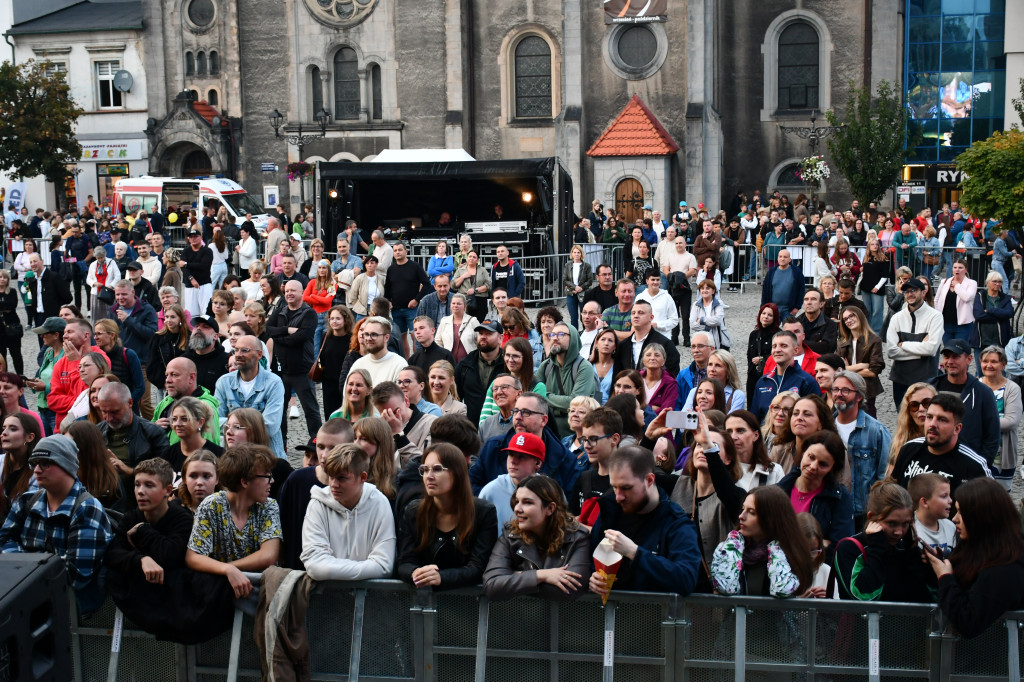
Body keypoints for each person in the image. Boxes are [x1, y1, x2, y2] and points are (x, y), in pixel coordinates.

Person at [0, 435, 114, 614]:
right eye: (34, 463)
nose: (36, 469)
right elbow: (4, 541)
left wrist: (22, 569)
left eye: (45, 463)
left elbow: (75, 576)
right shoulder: (26, 501)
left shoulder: (87, 508)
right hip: (24, 605)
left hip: (68, 614)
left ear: (66, 466)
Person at [588, 446, 701, 597]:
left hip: (654, 617)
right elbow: (588, 559)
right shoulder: (610, 512)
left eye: (626, 488)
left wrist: (635, 553)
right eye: (614, 487)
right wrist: (591, 578)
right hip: (606, 615)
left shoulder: (676, 522)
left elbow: (686, 579)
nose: (618, 497)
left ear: (649, 480)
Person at [923, 477, 1024, 638]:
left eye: (962, 512)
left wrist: (945, 576)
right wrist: (938, 566)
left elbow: (968, 622)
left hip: (987, 658)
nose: (954, 518)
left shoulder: (1005, 569)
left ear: (982, 518)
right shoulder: (975, 546)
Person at [185, 444, 281, 599]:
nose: (272, 480)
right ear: (244, 482)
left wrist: (229, 569)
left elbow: (269, 555)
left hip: (261, 595)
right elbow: (193, 557)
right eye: (266, 475)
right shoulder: (212, 506)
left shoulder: (268, 506)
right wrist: (227, 571)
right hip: (220, 596)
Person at [396, 443, 498, 589]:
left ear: (457, 473)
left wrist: (442, 577)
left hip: (469, 604)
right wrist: (415, 573)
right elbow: (404, 562)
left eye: (437, 469)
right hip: (422, 602)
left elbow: (478, 567)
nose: (428, 476)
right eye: (424, 470)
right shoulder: (413, 511)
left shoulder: (483, 512)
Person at [483, 474, 592, 601]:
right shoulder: (510, 535)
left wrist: (514, 577)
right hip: (518, 618)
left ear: (550, 508)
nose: (517, 509)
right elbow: (492, 584)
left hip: (566, 618)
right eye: (517, 501)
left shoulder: (577, 537)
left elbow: (570, 588)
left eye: (527, 502)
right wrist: (541, 575)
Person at [299, 443, 396, 581]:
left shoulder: (379, 503)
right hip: (327, 599)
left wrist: (329, 567)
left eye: (341, 478)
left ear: (362, 477)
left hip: (370, 600)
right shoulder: (317, 504)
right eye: (331, 477)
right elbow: (314, 566)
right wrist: (368, 567)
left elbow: (384, 566)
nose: (333, 484)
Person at [832, 480, 936, 602]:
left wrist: (926, 566)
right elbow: (863, 597)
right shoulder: (849, 548)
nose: (899, 532)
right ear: (872, 517)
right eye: (892, 523)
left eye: (905, 524)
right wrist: (878, 549)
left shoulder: (906, 549)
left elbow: (928, 599)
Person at [710, 486, 813, 598]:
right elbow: (725, 587)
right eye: (743, 509)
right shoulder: (730, 548)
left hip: (770, 616)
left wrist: (776, 548)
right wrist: (734, 543)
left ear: (771, 519)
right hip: (735, 616)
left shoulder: (788, 553)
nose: (741, 516)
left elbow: (782, 589)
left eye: (751, 512)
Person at [890, 392, 991, 497]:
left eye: (942, 420)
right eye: (929, 417)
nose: (932, 424)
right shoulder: (909, 448)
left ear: (957, 428)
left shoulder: (974, 467)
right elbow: (893, 493)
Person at [776, 430, 855, 549]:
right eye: (811, 457)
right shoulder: (781, 489)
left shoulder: (839, 498)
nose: (813, 466)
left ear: (832, 469)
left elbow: (840, 547)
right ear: (803, 453)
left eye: (822, 464)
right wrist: (818, 544)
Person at [832, 371, 892, 527]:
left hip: (862, 513)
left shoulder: (877, 431)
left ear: (859, 396)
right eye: (835, 389)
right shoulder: (825, 427)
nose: (839, 394)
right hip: (832, 508)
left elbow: (883, 477)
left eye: (845, 390)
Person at [927, 339, 1000, 466]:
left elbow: (992, 436)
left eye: (956, 357)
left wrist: (980, 466)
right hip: (932, 462)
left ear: (969, 359)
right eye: (947, 357)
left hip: (966, 466)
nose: (950, 361)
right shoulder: (930, 388)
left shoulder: (983, 393)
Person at [214, 335, 286, 458]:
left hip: (266, 456)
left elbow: (270, 426)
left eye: (245, 350)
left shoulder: (273, 383)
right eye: (236, 350)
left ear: (259, 354)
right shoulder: (224, 382)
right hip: (233, 457)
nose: (238, 354)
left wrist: (233, 426)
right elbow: (215, 422)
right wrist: (249, 426)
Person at [886, 277, 943, 408]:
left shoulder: (935, 316)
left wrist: (904, 344)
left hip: (926, 378)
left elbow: (931, 349)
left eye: (913, 290)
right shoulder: (896, 318)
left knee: (925, 419)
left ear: (923, 292)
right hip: (901, 378)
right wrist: (921, 352)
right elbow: (891, 351)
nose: (910, 294)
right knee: (903, 419)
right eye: (906, 291)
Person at [750, 330, 821, 422]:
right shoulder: (763, 381)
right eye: (774, 346)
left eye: (784, 346)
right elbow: (754, 417)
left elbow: (814, 417)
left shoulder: (807, 382)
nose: (777, 350)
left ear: (795, 350)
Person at [976, 346, 1022, 478]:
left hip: (1002, 454)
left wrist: (978, 422)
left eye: (994, 362)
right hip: (977, 452)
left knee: (1000, 496)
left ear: (1003, 365)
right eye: (985, 361)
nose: (988, 365)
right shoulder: (974, 385)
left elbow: (1011, 422)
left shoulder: (1012, 389)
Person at [455, 320, 506, 425]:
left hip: (499, 426)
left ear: (500, 338)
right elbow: (456, 397)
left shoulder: (508, 364)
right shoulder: (465, 365)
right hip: (470, 428)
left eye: (489, 334)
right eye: (481, 333)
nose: (483, 337)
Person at [614, 300, 681, 377]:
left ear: (651, 317)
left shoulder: (665, 344)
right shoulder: (623, 345)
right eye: (633, 313)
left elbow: (672, 376)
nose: (636, 316)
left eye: (641, 313)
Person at [726, 410, 784, 490]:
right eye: (729, 432)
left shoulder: (774, 471)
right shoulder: (721, 469)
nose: (733, 437)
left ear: (755, 435)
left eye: (740, 431)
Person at [971, 271, 1013, 375]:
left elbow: (1009, 313)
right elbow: (979, 315)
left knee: (1000, 371)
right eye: (995, 281)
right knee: (981, 371)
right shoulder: (979, 297)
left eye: (1000, 282)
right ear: (987, 283)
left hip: (1000, 341)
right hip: (982, 341)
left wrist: (990, 311)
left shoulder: (1005, 298)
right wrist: (999, 316)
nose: (997, 284)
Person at [348, 316, 407, 386]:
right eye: (366, 334)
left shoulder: (399, 365)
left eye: (374, 334)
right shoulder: (358, 364)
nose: (369, 338)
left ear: (386, 338)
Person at [909, 473, 956, 558]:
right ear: (925, 502)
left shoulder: (951, 527)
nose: (950, 500)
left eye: (949, 495)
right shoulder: (910, 531)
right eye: (944, 496)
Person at [935, 258, 978, 344]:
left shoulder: (971, 283)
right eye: (955, 267)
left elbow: (967, 297)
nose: (957, 269)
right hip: (946, 323)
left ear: (965, 270)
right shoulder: (945, 282)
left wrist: (957, 286)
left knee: (960, 351)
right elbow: (937, 299)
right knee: (948, 349)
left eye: (960, 267)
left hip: (963, 325)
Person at [747, 303, 779, 400]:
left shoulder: (777, 335)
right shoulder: (754, 334)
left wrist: (762, 359)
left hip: (769, 377)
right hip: (753, 376)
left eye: (770, 315)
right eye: (763, 313)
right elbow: (749, 355)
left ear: (774, 318)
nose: (766, 317)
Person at [435, 293, 478, 365]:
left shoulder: (473, 321)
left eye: (459, 303)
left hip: (469, 362)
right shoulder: (444, 321)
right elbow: (438, 341)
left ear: (464, 306)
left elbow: (479, 340)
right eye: (453, 303)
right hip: (448, 362)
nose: (455, 306)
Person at [690, 279, 731, 352]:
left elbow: (718, 321)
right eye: (702, 288)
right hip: (702, 339)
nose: (704, 290)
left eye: (707, 288)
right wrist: (708, 326)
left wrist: (702, 320)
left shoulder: (718, 303)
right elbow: (692, 324)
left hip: (718, 339)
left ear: (713, 291)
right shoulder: (696, 305)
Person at [761, 249, 804, 317]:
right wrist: (763, 306)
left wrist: (797, 307)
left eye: (785, 257)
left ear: (790, 259)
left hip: (789, 310)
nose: (782, 259)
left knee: (788, 327)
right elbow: (765, 290)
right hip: (772, 309)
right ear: (777, 258)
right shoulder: (771, 271)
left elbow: (801, 290)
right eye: (780, 256)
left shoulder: (796, 272)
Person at [797, 289, 838, 355]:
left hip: (820, 361)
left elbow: (828, 348)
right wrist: (818, 344)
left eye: (813, 299)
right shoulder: (795, 322)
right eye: (806, 299)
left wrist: (800, 342)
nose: (809, 302)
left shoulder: (830, 324)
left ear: (821, 304)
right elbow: (790, 344)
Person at [562, 245, 594, 328]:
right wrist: (574, 287)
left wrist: (581, 288)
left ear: (581, 254)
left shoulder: (586, 266)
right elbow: (565, 279)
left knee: (584, 316)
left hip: (583, 293)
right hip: (571, 293)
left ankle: (585, 333)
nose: (576, 254)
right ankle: (575, 335)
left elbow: (590, 280)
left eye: (578, 252)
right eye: (575, 252)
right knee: (573, 317)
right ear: (572, 254)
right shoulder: (568, 265)